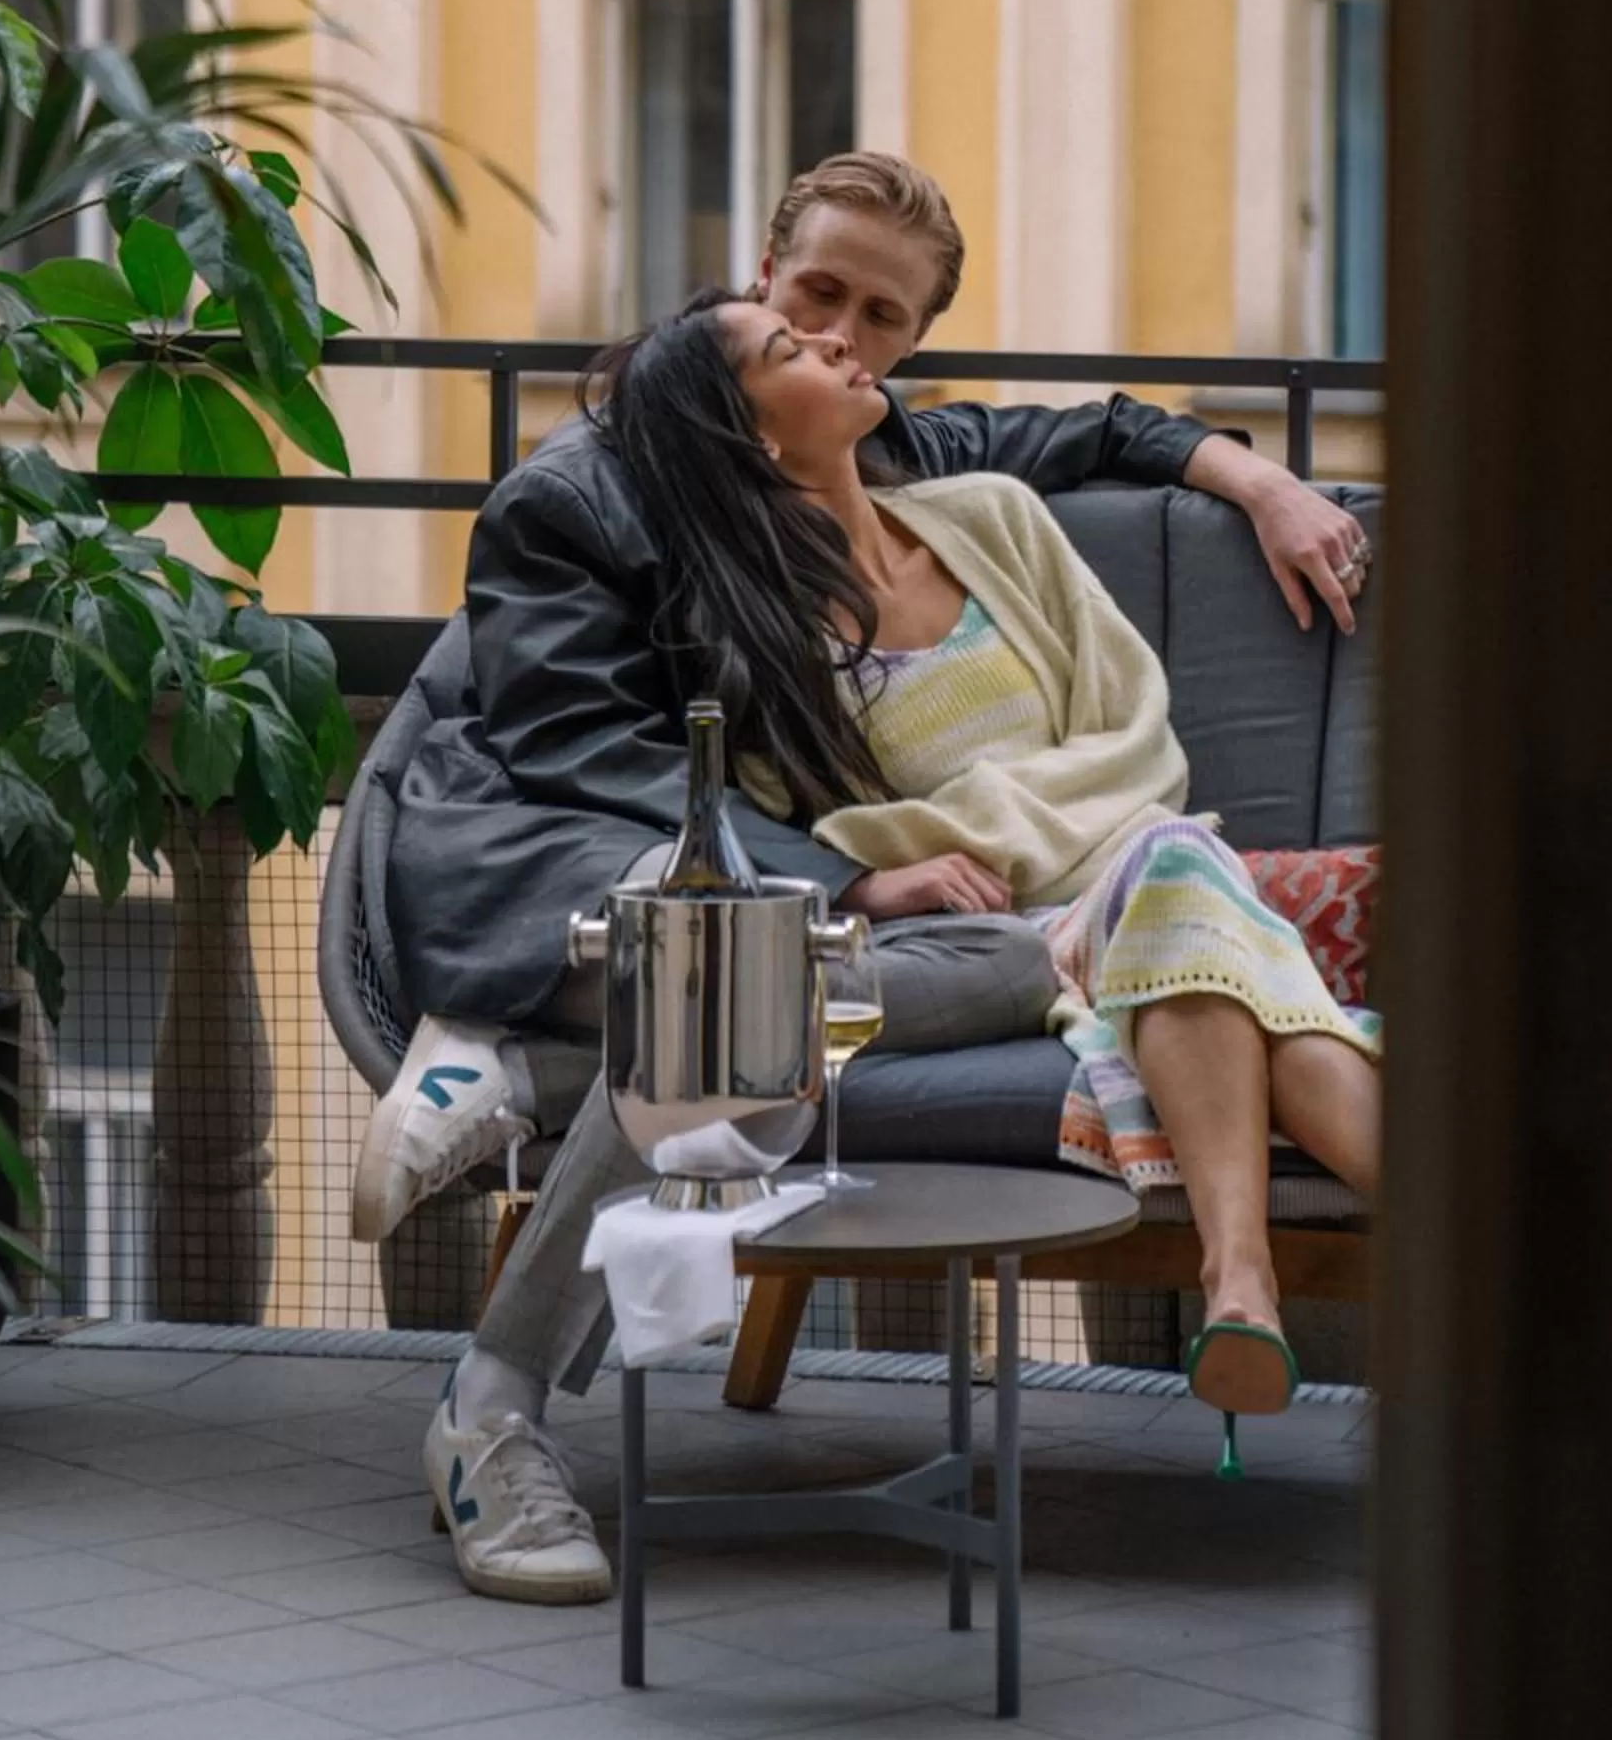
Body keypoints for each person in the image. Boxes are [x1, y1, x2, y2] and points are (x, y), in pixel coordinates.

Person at [366, 153, 1374, 1600]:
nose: (842, 338)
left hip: (782, 891)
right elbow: (580, 749)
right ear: (760, 282)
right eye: (812, 304)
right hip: (557, 853)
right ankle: (492, 1412)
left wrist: (1261, 480)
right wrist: (841, 884)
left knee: (1003, 957)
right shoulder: (585, 492)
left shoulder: (878, 443)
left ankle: (534, 1075)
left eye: (878, 320)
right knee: (730, 1000)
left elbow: (1085, 431)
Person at [597, 294, 1382, 1478]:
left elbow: (1135, 733)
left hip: (1142, 867)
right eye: (789, 347)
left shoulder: (995, 520)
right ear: (751, 434)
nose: (836, 339)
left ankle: (1240, 1281)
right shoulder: (749, 644)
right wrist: (879, 879)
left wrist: (1006, 832)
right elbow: (802, 831)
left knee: (1172, 869)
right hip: (1002, 936)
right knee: (1230, 949)